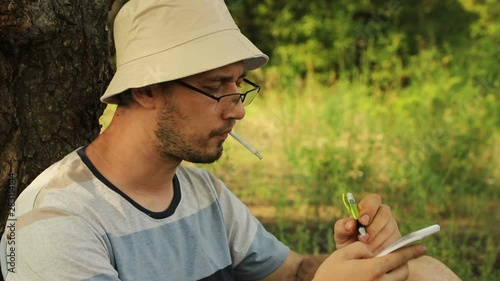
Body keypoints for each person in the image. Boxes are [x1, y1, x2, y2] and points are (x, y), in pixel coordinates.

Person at [0, 0, 461, 280]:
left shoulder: (202, 194)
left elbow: (293, 272)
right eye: (215, 86)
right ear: (145, 89)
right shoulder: (57, 222)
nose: (236, 108)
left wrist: (360, 261)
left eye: (239, 86)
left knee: (419, 274)